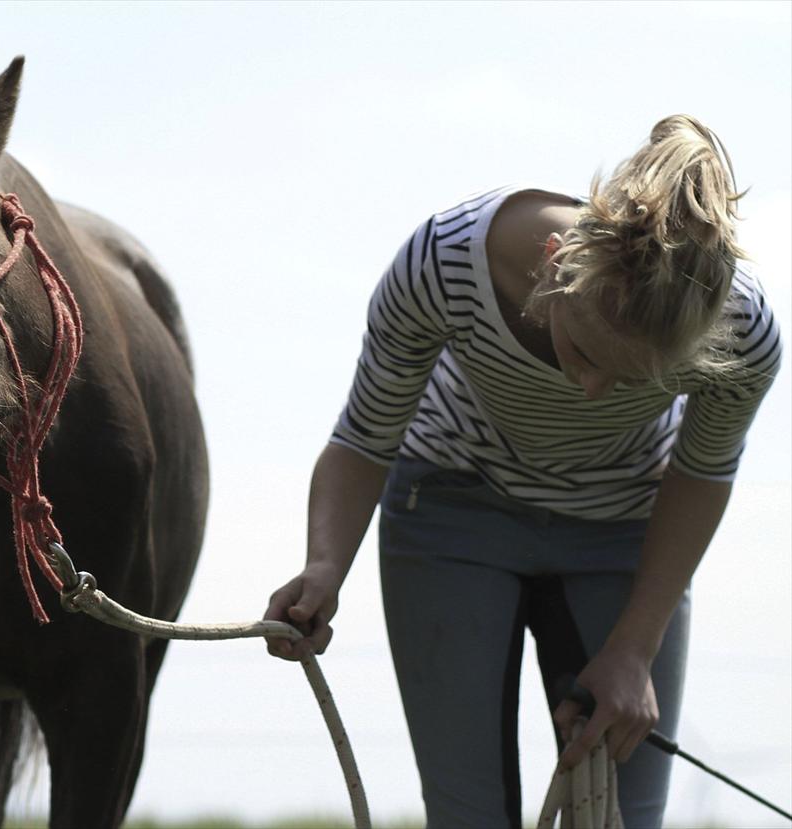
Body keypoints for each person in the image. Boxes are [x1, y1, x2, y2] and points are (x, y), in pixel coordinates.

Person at [263, 115, 782, 828]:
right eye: (585, 352)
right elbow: (365, 435)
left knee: (625, 816)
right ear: (554, 260)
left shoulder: (742, 334)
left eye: (631, 380)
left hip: (622, 533)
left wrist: (634, 647)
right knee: (467, 814)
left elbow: (701, 472)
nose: (593, 390)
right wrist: (325, 564)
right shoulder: (444, 259)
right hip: (450, 510)